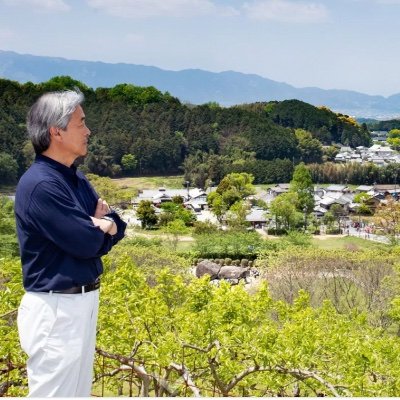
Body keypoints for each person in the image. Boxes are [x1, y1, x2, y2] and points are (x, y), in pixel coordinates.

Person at [14, 89, 127, 397]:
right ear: (56, 131)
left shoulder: (74, 179)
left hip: (80, 302)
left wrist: (103, 226)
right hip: (56, 307)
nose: (88, 131)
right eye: (81, 123)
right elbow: (86, 243)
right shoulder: (41, 185)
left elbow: (119, 226)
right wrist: (99, 228)